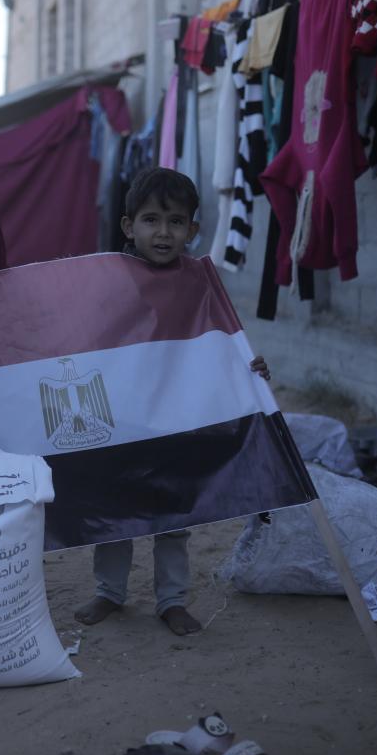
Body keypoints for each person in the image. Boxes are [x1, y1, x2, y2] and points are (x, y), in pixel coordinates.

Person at [75, 167, 270, 635]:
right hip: (123, 420)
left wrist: (248, 367)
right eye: (151, 220)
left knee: (173, 516)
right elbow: (90, 338)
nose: (163, 232)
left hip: (178, 422)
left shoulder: (200, 283)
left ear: (192, 229)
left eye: (176, 221)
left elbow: (220, 342)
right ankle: (110, 592)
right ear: (129, 226)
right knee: (116, 514)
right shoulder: (110, 280)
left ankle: (172, 600)